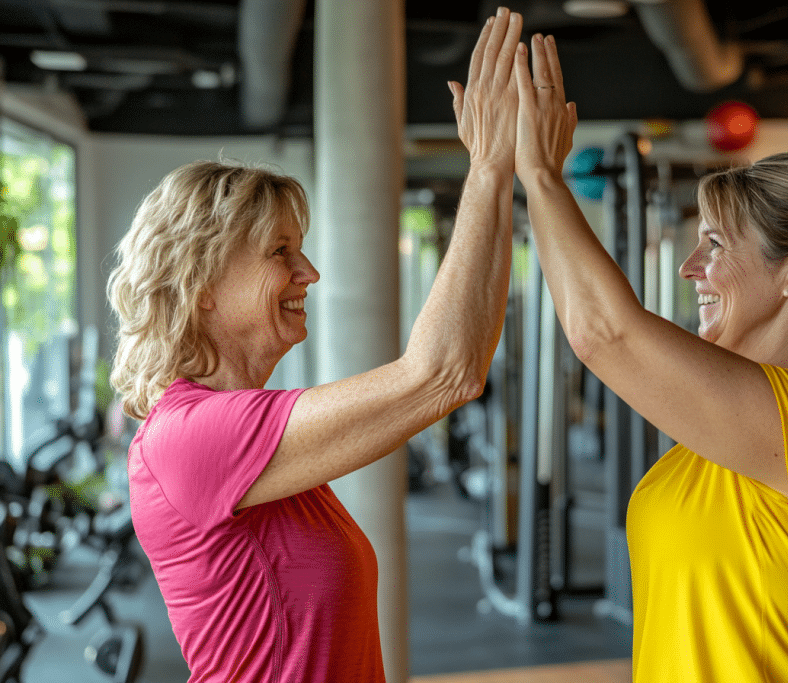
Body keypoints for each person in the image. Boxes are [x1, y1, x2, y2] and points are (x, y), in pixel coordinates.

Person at [106, 8, 523, 681]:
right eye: (280, 253)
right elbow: (442, 374)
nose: (310, 273)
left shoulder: (247, 437)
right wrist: (490, 170)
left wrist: (501, 180)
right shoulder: (191, 437)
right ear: (203, 285)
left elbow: (458, 367)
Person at [512, 34, 788, 682]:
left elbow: (604, 334)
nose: (690, 267)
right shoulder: (733, 424)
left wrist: (538, 173)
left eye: (713, 244)